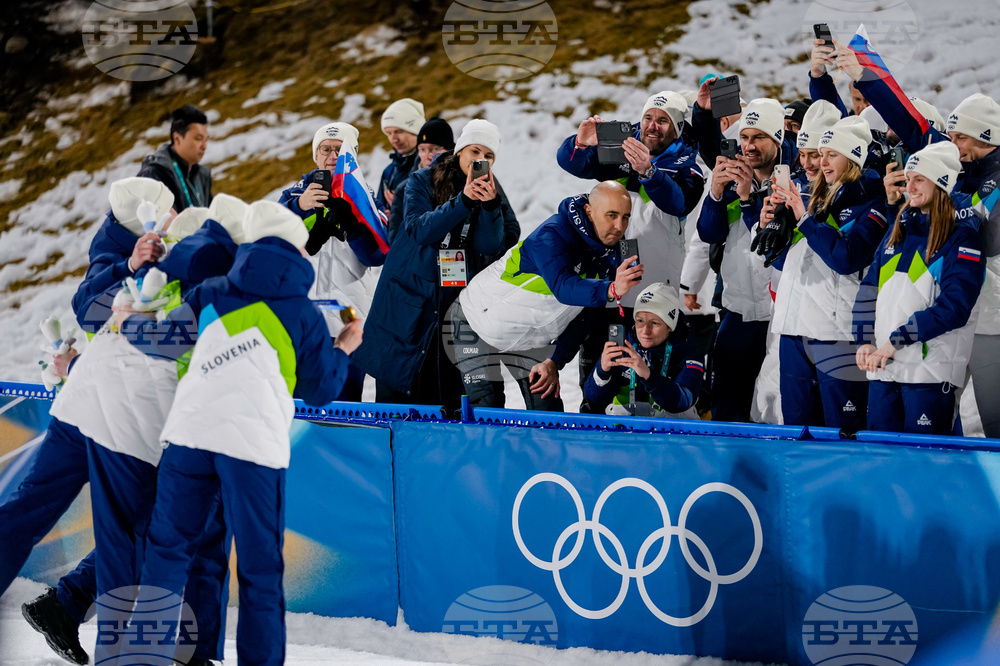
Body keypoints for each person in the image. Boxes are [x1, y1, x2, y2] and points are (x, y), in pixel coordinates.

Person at [120, 200, 362, 665]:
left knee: (167, 556)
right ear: (296, 250)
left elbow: (163, 343)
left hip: (189, 436)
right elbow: (322, 390)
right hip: (252, 448)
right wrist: (344, 346)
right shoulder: (303, 314)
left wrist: (130, 319)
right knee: (259, 571)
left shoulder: (211, 291)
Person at [50, 194, 246, 664]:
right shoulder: (194, 287)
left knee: (158, 532)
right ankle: (180, 650)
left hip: (170, 429)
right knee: (185, 536)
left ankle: (74, 605)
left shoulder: (169, 284)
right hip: (180, 433)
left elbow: (125, 337)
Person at [12, 177, 175, 665]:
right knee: (143, 529)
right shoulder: (131, 261)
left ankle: (67, 604)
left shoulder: (152, 261)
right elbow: (102, 323)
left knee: (146, 528)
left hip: (122, 417)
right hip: (117, 421)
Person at [829, 41, 1000, 437]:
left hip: (991, 319)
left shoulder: (983, 183)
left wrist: (929, 203)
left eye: (959, 139)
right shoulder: (950, 172)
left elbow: (977, 229)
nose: (950, 146)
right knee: (942, 426)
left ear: (985, 138)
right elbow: (910, 122)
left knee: (990, 424)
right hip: (941, 324)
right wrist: (863, 75)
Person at [353, 119, 519, 412]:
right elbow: (420, 230)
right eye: (475, 151)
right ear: (460, 151)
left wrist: (490, 207)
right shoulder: (420, 180)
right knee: (400, 392)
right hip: (407, 300)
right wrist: (463, 202)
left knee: (443, 396)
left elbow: (490, 245)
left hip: (452, 302)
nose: (481, 160)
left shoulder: (491, 189)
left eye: (489, 156)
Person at [556, 91, 705, 409]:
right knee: (596, 385)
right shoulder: (622, 151)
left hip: (653, 304)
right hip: (611, 292)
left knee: (648, 386)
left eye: (663, 121)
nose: (653, 126)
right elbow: (572, 164)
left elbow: (678, 202)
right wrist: (580, 144)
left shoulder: (688, 168)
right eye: (648, 118)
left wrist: (648, 172)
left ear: (677, 129)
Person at [455, 181, 644, 410]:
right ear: (589, 211)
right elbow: (564, 287)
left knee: (548, 414)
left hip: (529, 338)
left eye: (625, 217)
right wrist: (611, 289)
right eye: (611, 215)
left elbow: (584, 319)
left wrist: (554, 361)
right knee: (487, 410)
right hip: (474, 321)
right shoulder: (552, 234)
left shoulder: (612, 255)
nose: (619, 226)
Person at [762, 116, 889, 432]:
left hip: (837, 333)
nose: (821, 160)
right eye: (822, 152)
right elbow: (779, 263)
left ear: (853, 157)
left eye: (832, 153)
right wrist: (768, 221)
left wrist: (804, 219)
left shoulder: (874, 199)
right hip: (792, 328)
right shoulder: (810, 196)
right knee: (796, 429)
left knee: (843, 433)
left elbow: (846, 258)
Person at [853, 142, 986, 434]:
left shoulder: (962, 239)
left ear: (940, 183)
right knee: (881, 461)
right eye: (908, 179)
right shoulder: (897, 231)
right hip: (883, 370)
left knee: (925, 466)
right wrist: (863, 339)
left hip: (929, 374)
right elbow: (867, 291)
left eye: (919, 179)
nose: (909, 187)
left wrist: (896, 341)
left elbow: (954, 308)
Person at [697, 98, 796, 422]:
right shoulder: (732, 172)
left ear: (778, 138)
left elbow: (770, 246)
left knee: (771, 410)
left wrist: (747, 198)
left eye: (759, 137)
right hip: (737, 309)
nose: (749, 146)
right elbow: (710, 233)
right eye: (745, 137)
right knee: (727, 406)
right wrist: (715, 192)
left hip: (777, 316)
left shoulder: (793, 178)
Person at [278, 121, 387, 400]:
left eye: (340, 150)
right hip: (306, 313)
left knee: (346, 399)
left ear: (352, 154)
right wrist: (300, 208)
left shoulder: (366, 199)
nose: (331, 156)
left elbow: (375, 256)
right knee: (300, 398)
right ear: (315, 155)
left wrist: (353, 222)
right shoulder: (292, 196)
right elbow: (269, 239)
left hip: (348, 314)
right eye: (325, 149)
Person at [585, 283, 705, 418]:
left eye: (654, 323)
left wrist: (649, 376)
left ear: (669, 326)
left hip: (673, 432)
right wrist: (602, 371)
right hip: (627, 430)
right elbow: (595, 398)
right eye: (640, 321)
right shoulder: (623, 346)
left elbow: (683, 401)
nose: (645, 331)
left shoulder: (689, 352)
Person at [388, 117, 456, 242]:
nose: (427, 155)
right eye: (422, 149)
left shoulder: (469, 180)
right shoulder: (404, 189)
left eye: (435, 149)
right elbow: (395, 240)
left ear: (450, 149)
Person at [137, 104, 212, 212]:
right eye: (198, 139)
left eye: (206, 140)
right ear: (177, 138)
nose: (204, 146)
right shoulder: (154, 173)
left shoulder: (201, 175)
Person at [376, 97, 425, 210]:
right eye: (389, 133)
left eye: (399, 131)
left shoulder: (432, 165)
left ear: (416, 130)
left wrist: (400, 209)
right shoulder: (389, 172)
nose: (394, 139)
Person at [808, 39, 869, 118]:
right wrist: (818, 75)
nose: (863, 106)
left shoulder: (889, 123)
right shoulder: (845, 125)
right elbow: (829, 107)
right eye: (857, 99)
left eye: (867, 100)